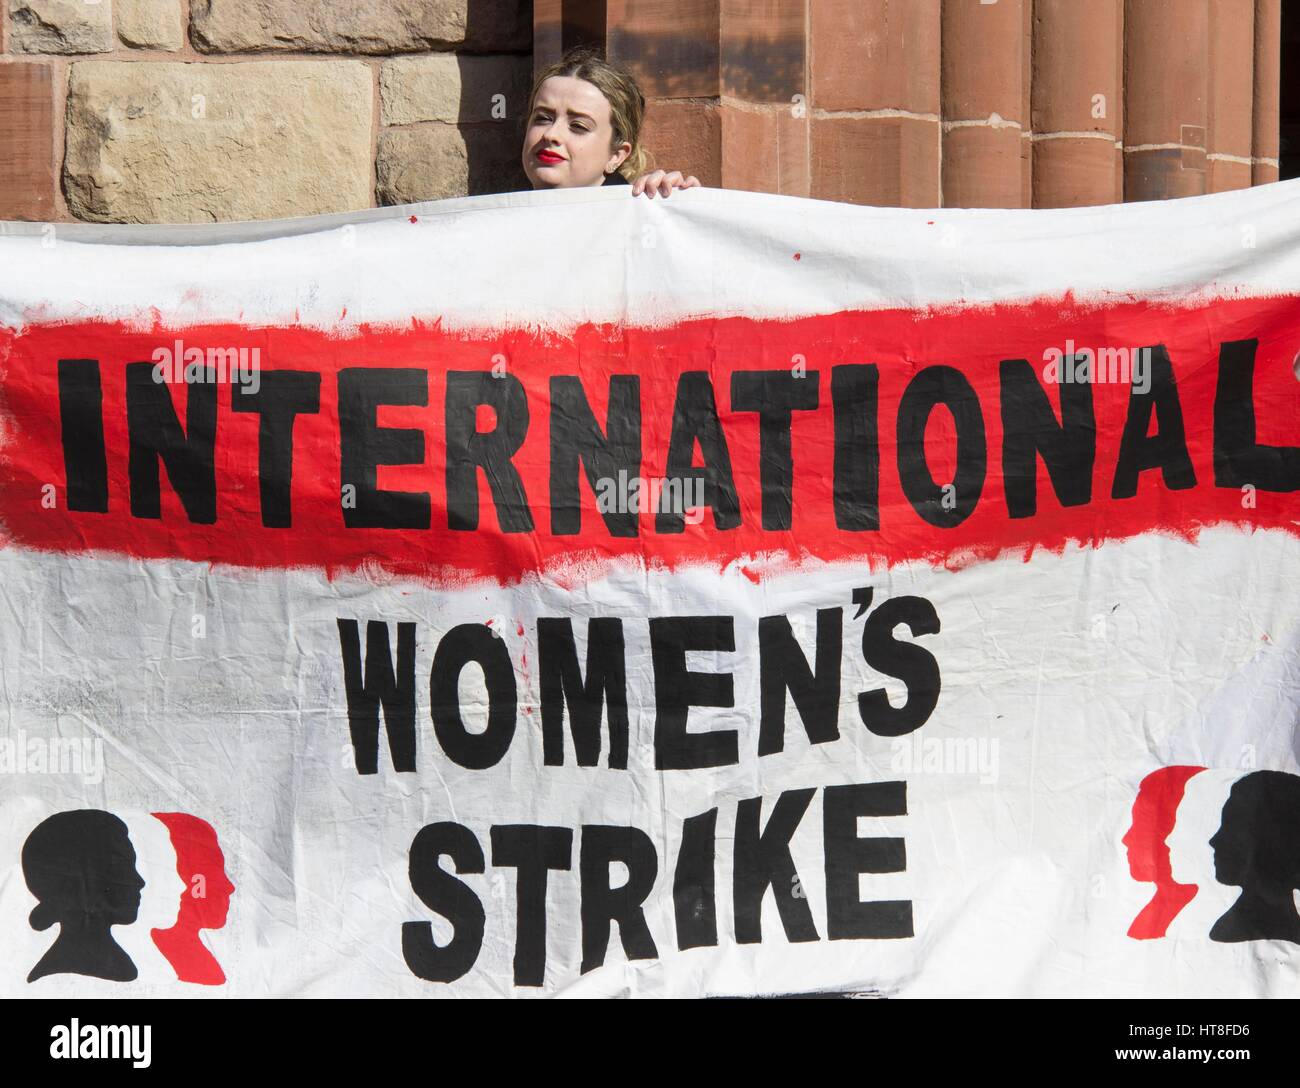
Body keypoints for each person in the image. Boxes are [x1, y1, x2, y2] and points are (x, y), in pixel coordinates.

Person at [522, 47, 700, 198]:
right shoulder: (498, 218)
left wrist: (680, 211)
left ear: (617, 156)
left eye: (578, 126)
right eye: (542, 118)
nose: (551, 134)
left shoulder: (646, 216)